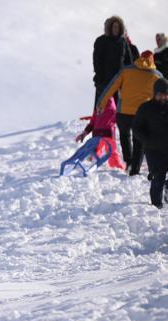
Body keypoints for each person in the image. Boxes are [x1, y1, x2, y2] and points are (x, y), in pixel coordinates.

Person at [97, 51, 163, 176]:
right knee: (139, 141)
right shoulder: (157, 75)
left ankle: (128, 161)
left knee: (124, 135)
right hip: (142, 114)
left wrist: (101, 104)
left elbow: (112, 86)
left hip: (124, 112)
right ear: (152, 60)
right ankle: (135, 170)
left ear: (139, 58)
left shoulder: (126, 71)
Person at [133, 78, 168, 208]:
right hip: (153, 150)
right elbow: (136, 128)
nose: (163, 97)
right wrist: (147, 140)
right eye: (160, 94)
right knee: (158, 176)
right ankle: (156, 205)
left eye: (165, 94)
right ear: (155, 94)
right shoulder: (145, 108)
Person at [93, 16, 137, 103]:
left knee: (117, 109)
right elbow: (97, 61)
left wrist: (127, 78)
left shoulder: (123, 42)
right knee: (103, 109)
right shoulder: (101, 40)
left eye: (118, 26)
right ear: (110, 27)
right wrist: (100, 80)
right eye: (114, 26)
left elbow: (129, 61)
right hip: (103, 82)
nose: (116, 29)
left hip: (119, 82)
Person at [74, 96, 125, 170]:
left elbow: (91, 124)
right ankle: (118, 167)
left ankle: (92, 162)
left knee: (96, 149)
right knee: (111, 152)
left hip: (97, 133)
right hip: (108, 134)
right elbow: (119, 119)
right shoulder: (114, 109)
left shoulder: (98, 109)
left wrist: (84, 134)